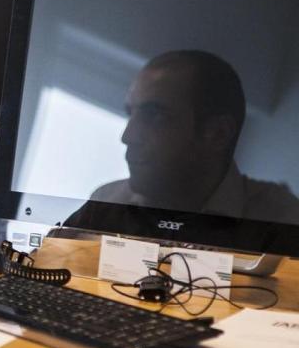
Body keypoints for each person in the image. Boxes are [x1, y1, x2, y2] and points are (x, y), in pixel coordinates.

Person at [87, 50, 299, 220]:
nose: (128, 136)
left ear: (218, 134)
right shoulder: (105, 204)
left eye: (155, 116)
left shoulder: (284, 223)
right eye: (130, 114)